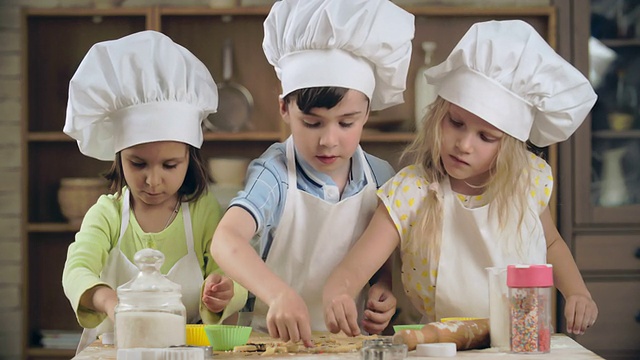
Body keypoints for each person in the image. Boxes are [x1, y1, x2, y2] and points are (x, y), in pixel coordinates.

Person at [322, 20, 599, 337]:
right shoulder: (411, 191)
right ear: (438, 115)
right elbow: (355, 266)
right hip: (442, 344)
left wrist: (577, 292)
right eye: (455, 122)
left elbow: (551, 243)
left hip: (523, 342)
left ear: (509, 145)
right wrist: (340, 292)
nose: (464, 145)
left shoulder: (527, 182)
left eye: (486, 137)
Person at [210, 0, 414, 346]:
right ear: (284, 108)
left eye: (346, 123)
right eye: (312, 123)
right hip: (271, 345)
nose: (328, 140)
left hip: (349, 345)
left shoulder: (379, 175)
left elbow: (376, 253)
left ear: (367, 113)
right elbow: (225, 240)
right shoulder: (274, 173)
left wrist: (382, 289)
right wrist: (277, 295)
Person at [61, 30, 247, 352]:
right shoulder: (107, 214)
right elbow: (77, 269)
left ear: (191, 157)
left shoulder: (203, 212)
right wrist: (108, 300)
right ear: (119, 157)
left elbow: (233, 269)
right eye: (139, 164)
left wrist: (226, 290)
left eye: (170, 165)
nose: (153, 181)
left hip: (185, 352)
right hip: (115, 350)